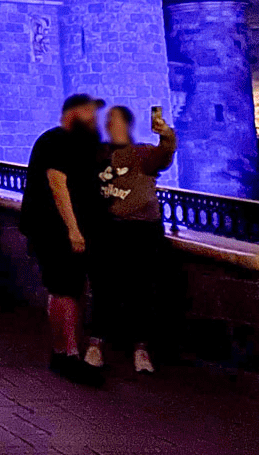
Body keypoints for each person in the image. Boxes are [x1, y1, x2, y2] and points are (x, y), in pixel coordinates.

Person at [22, 94, 106, 386]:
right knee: (65, 290)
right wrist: (73, 229)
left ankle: (63, 352)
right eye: (89, 114)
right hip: (55, 229)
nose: (95, 120)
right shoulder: (57, 142)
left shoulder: (72, 143)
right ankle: (68, 354)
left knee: (65, 289)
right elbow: (58, 185)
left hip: (60, 228)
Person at [88, 104, 177, 374]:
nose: (110, 126)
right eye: (108, 122)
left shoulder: (141, 154)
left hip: (141, 230)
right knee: (104, 288)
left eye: (116, 121)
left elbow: (163, 156)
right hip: (109, 228)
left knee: (142, 289)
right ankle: (95, 345)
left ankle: (141, 350)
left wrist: (166, 135)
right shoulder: (98, 154)